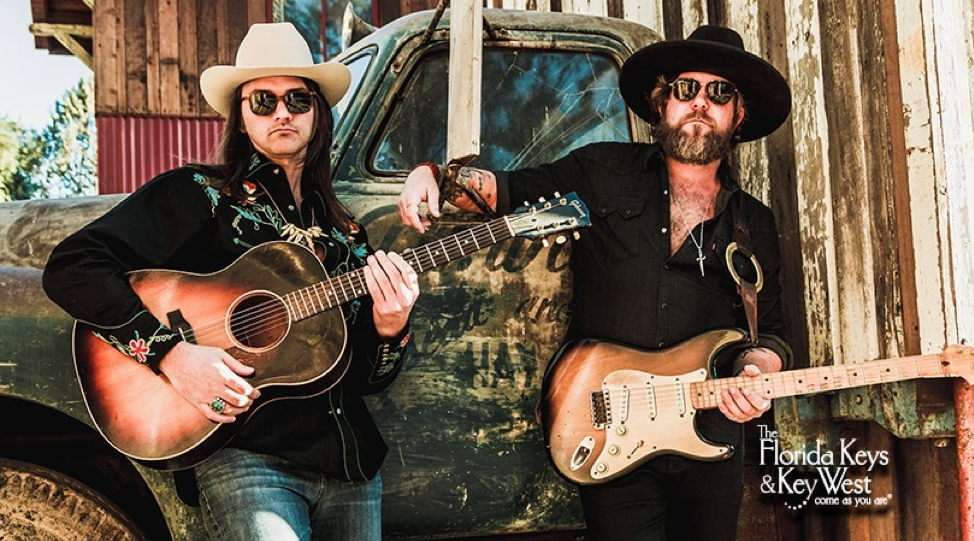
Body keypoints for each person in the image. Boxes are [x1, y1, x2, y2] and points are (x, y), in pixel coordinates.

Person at [398, 25, 793, 541]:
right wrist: (433, 174)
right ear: (661, 104)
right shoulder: (602, 169)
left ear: (738, 115)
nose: (700, 103)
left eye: (719, 93)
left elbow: (773, 332)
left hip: (710, 434)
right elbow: (503, 193)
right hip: (611, 429)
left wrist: (755, 374)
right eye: (686, 89)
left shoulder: (753, 222)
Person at [42, 23, 418, 541]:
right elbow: (73, 267)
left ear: (318, 114)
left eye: (297, 99)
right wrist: (172, 355)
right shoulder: (199, 195)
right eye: (262, 101)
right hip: (246, 460)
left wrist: (391, 327)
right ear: (241, 119)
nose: (281, 112)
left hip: (350, 467)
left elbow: (368, 380)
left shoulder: (348, 236)